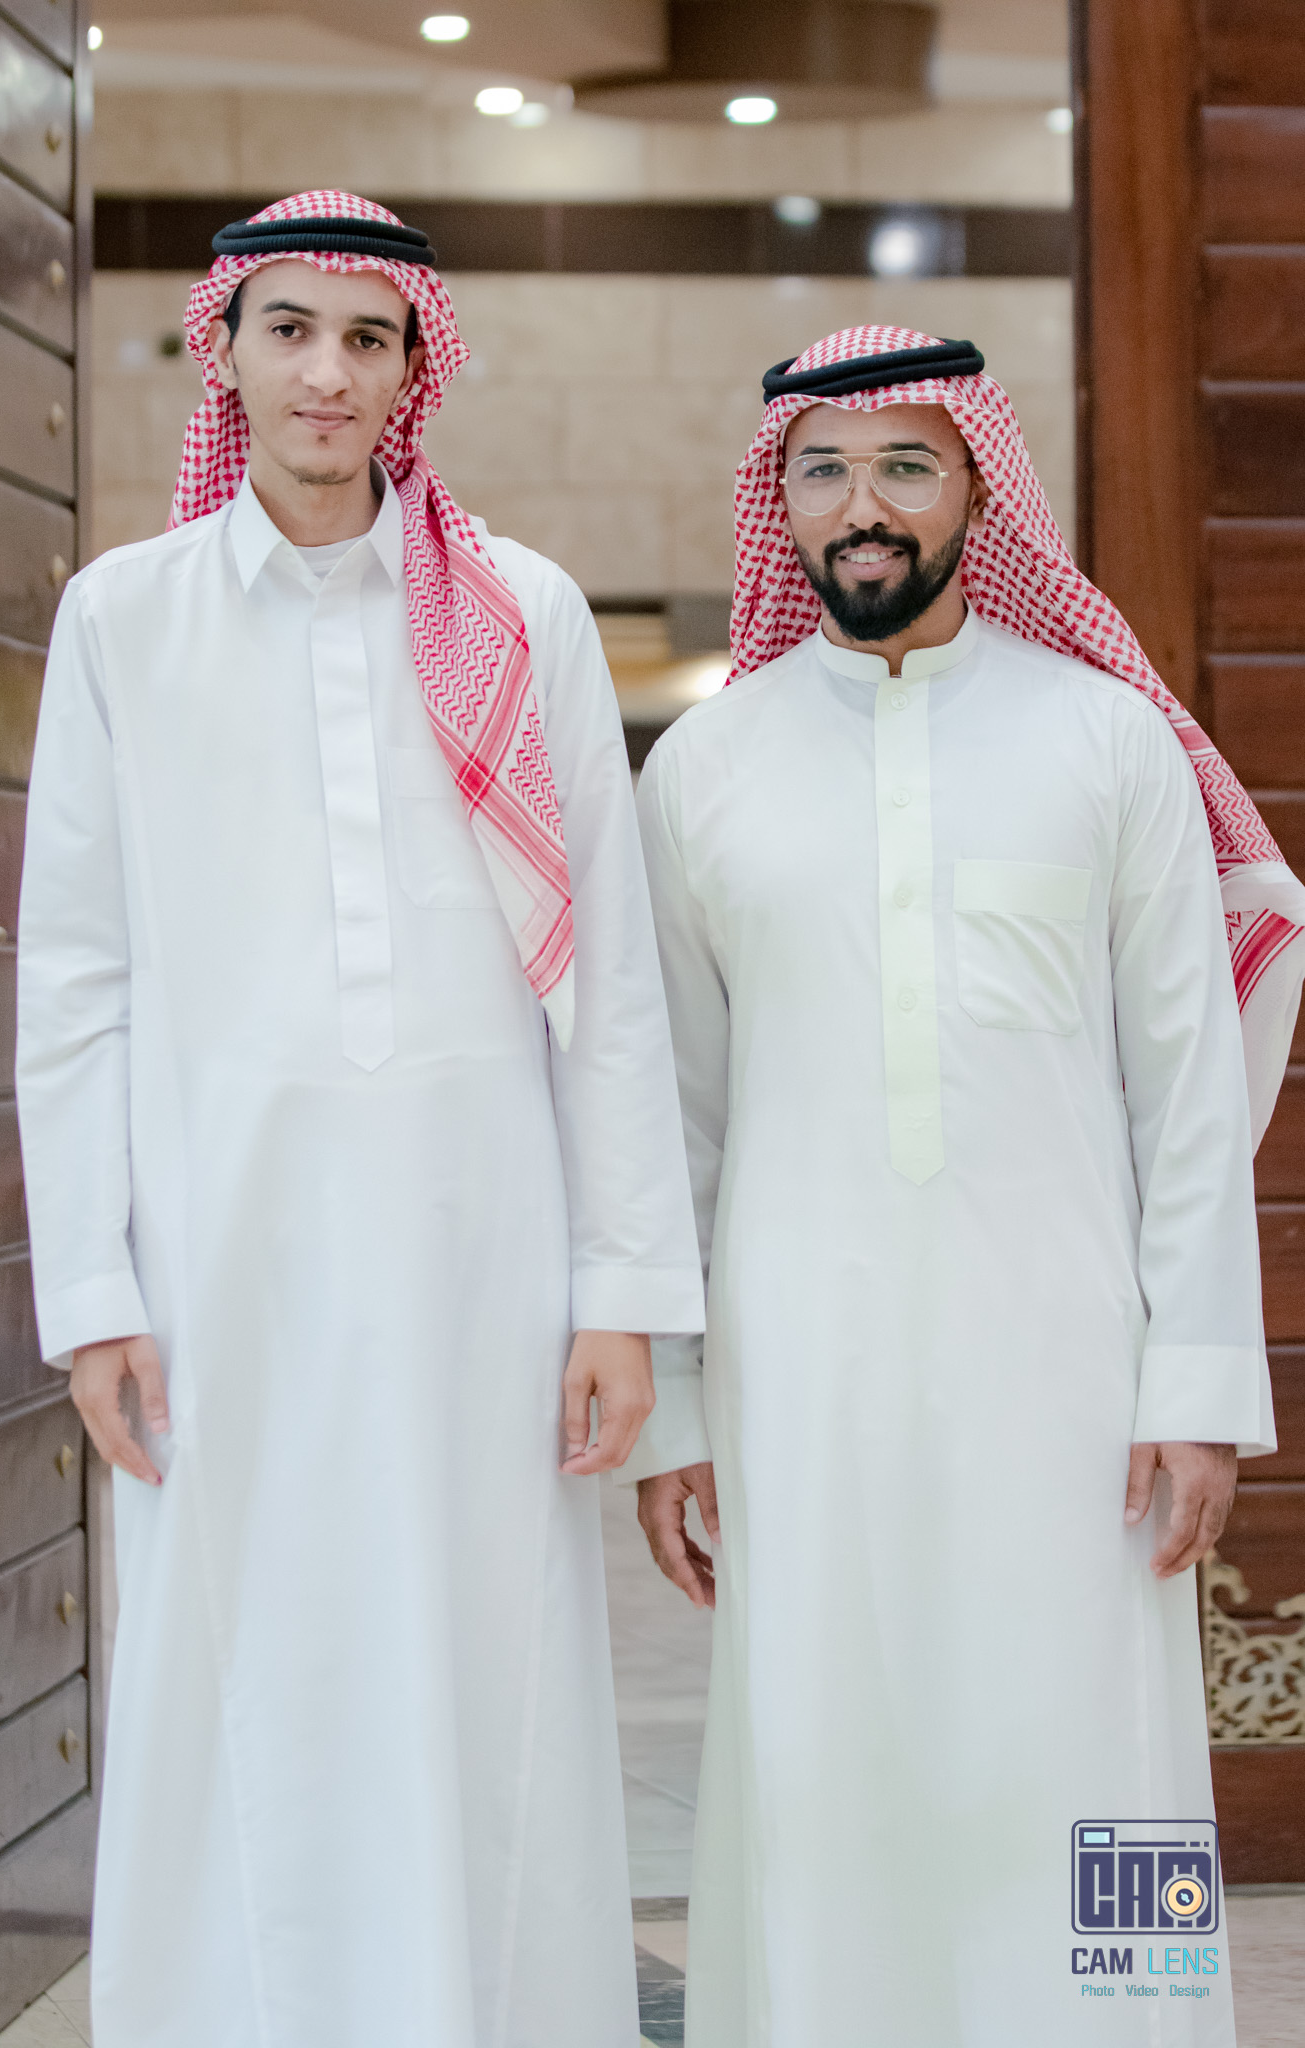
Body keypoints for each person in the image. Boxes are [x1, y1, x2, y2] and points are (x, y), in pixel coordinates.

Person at [16, 191, 704, 2048]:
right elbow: (73, 980)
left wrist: (622, 1294)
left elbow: (607, 983)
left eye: (367, 338)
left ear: (414, 369)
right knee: (237, 1661)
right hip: (215, 1263)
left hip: (485, 1263)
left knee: (482, 1661)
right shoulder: (123, 620)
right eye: (291, 330)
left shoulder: (523, 614)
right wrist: (92, 1292)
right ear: (224, 351)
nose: (327, 373)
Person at [623, 326, 1305, 2046]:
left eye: (905, 465)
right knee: (822, 1758)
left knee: (1092, 1757)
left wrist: (1197, 1387)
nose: (862, 505)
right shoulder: (703, 770)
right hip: (799, 1375)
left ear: (980, 490)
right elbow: (671, 1120)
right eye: (824, 470)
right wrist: (676, 1408)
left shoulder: (1105, 743)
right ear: (779, 500)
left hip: (1072, 1379)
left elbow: (1185, 1099)